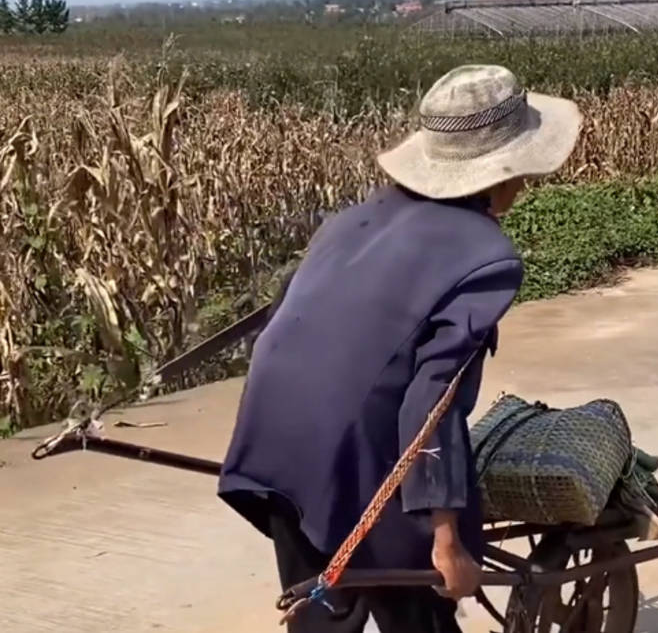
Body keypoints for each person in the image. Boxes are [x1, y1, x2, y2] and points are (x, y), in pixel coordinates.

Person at [217, 64, 582, 633]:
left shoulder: (351, 220)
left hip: (275, 445)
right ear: (500, 174)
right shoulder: (486, 257)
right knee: (419, 614)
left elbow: (289, 327)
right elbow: (433, 403)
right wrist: (445, 539)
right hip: (361, 454)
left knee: (319, 610)